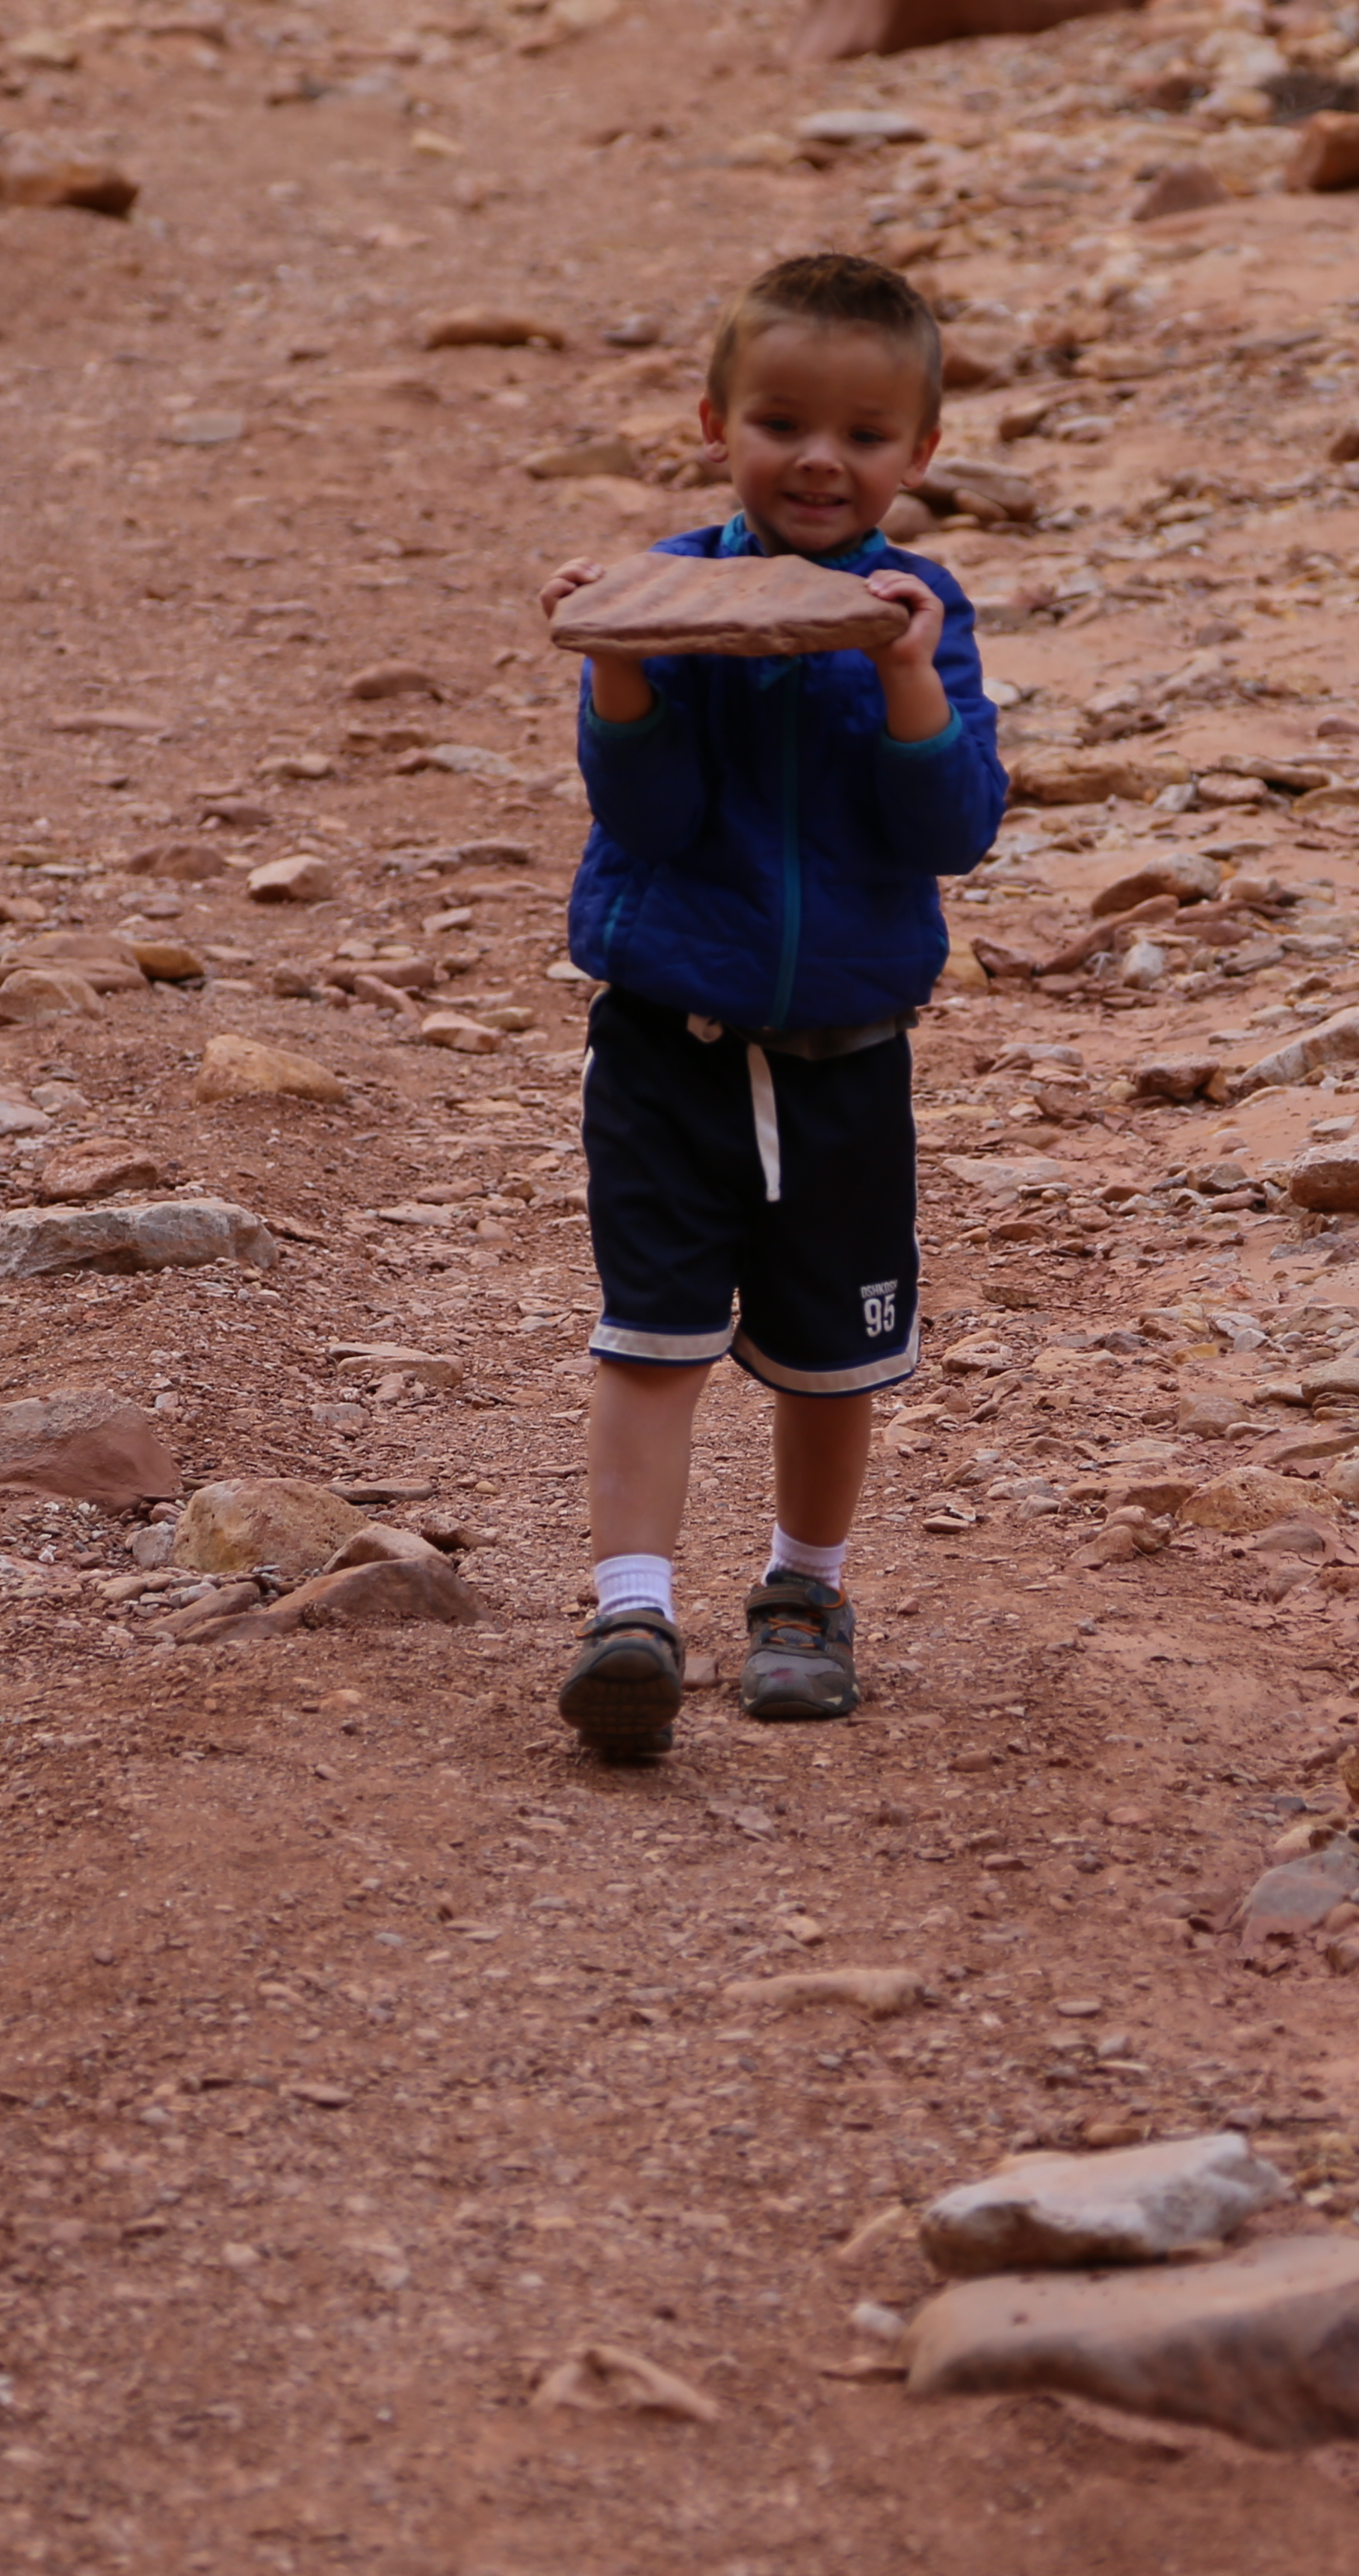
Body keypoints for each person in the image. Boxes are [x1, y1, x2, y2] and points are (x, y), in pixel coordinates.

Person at [531, 253, 1006, 1760]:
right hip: (669, 1038)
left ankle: (804, 1594)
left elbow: (955, 829)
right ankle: (632, 1609)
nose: (821, 457)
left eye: (864, 435)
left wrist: (910, 675)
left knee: (832, 1351)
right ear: (715, 420)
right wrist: (618, 670)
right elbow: (652, 817)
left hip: (849, 1055)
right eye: (783, 420)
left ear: (918, 455)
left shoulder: (923, 608)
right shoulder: (673, 590)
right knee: (652, 1334)